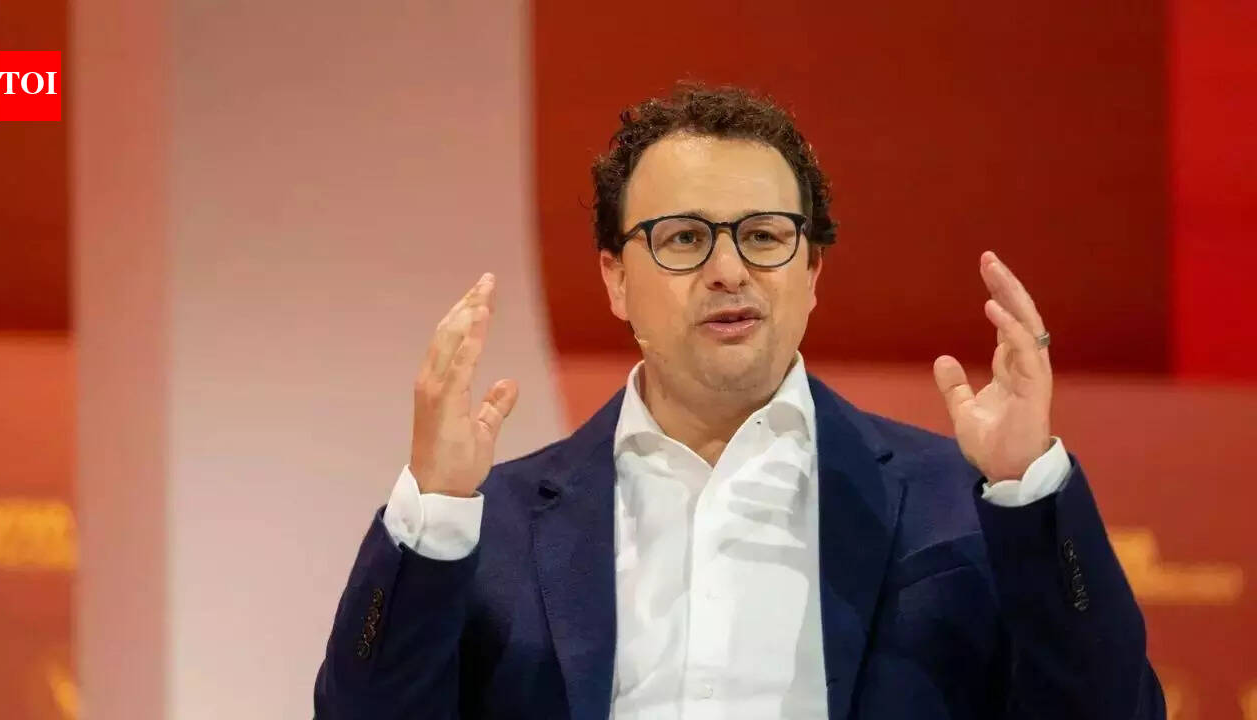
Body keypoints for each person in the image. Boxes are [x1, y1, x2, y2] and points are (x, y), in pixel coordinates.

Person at [313, 84, 1164, 719]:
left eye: (763, 235)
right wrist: (433, 513)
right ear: (615, 278)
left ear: (812, 270)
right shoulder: (493, 525)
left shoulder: (957, 501)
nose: (728, 270)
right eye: (683, 237)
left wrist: (1027, 489)